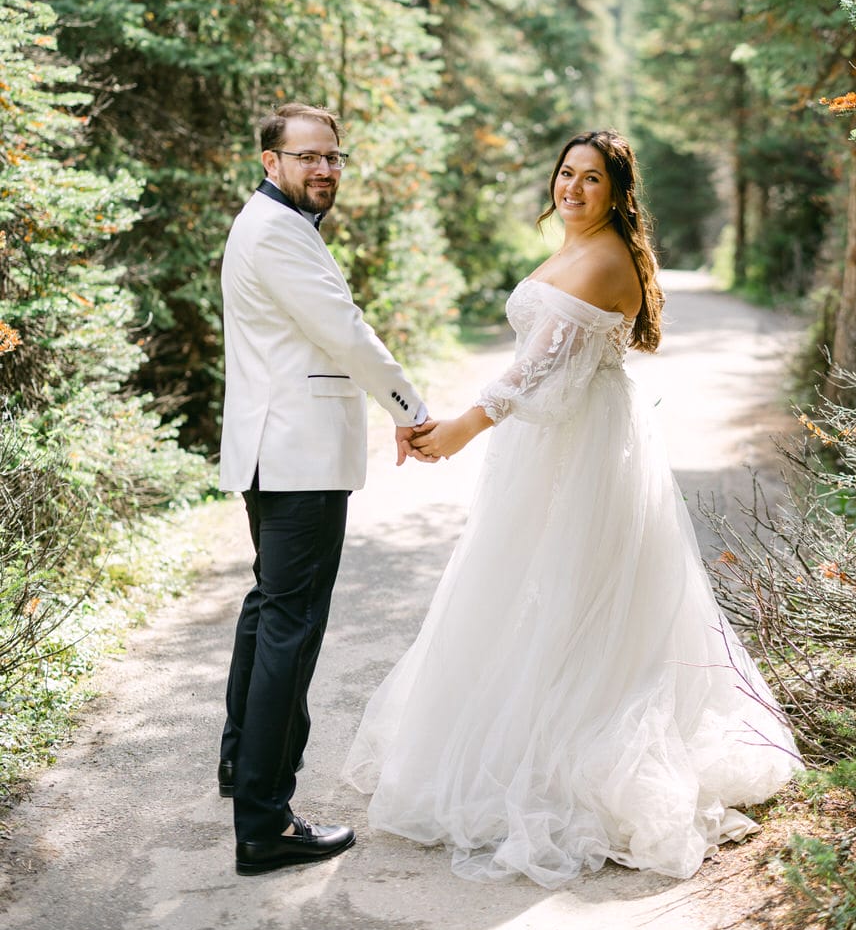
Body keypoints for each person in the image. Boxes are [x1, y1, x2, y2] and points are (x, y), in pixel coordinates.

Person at [344, 129, 800, 887]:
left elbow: (535, 367)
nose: (573, 189)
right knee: (527, 585)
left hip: (584, 449)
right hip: (555, 445)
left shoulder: (601, 258)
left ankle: (567, 756)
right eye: (565, 174)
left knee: (570, 591)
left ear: (618, 193)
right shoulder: (575, 246)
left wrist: (457, 429)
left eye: (591, 180)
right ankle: (525, 731)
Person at [218, 101, 432, 877]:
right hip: (296, 460)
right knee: (290, 628)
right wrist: (412, 409)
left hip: (273, 453)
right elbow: (342, 330)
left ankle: (240, 766)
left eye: (334, 157)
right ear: (270, 161)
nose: (324, 169)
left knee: (267, 610)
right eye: (307, 156)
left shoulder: (270, 224)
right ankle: (266, 820)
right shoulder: (278, 232)